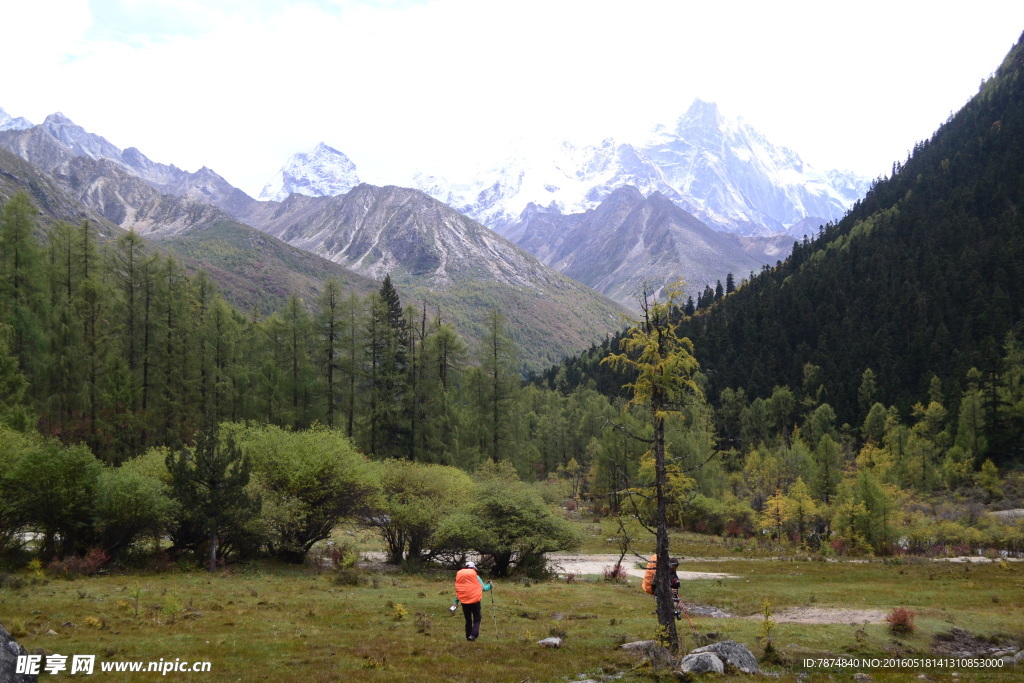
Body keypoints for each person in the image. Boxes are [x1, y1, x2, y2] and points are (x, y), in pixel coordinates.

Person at [454, 560, 491, 641]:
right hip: (475, 601)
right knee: (477, 619)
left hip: (464, 602)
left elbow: (459, 590)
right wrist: (490, 585)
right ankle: (473, 635)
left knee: (468, 620)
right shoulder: (476, 577)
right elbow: (484, 588)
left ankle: (468, 637)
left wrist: (456, 602)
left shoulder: (461, 577)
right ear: (473, 568)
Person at [641, 554, 681, 618]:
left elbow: (673, 579)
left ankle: (672, 607)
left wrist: (676, 582)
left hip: (668, 592)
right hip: (658, 591)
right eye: (675, 566)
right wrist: (669, 590)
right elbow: (658, 585)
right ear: (671, 565)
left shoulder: (672, 570)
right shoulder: (661, 572)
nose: (676, 568)